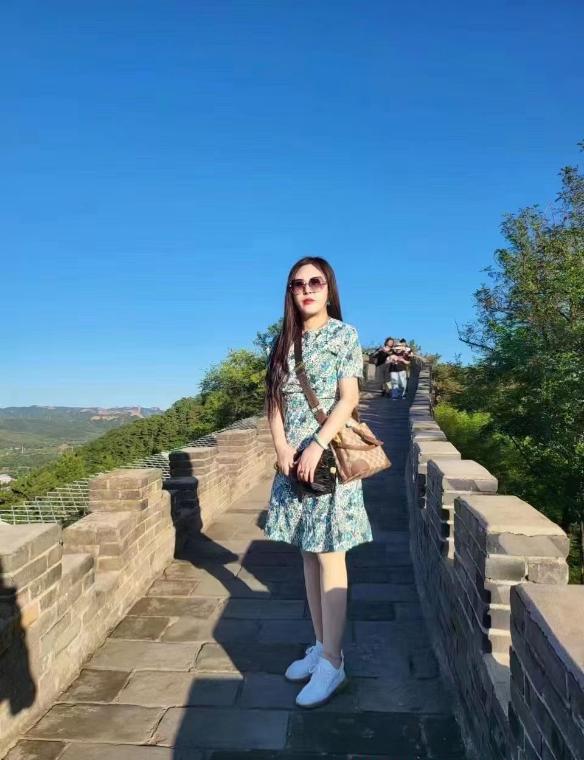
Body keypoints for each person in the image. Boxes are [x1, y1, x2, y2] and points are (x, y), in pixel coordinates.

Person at [263, 256, 373, 709]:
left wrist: (316, 444)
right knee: (308, 554)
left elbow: (349, 397)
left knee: (330, 555)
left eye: (315, 282)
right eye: (298, 283)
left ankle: (333, 662)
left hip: (329, 460)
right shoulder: (283, 341)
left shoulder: (343, 335)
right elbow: (274, 401)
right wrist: (282, 448)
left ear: (329, 288)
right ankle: (321, 645)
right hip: (294, 464)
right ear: (290, 292)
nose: (307, 289)